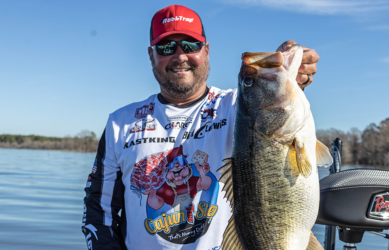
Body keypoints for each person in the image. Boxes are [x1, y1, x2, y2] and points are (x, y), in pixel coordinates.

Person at [81, 4, 320, 250]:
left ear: (206, 51)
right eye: (166, 47)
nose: (180, 56)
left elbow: (274, 109)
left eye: (190, 45)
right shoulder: (120, 124)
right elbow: (98, 211)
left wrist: (295, 71)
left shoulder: (237, 106)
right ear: (151, 55)